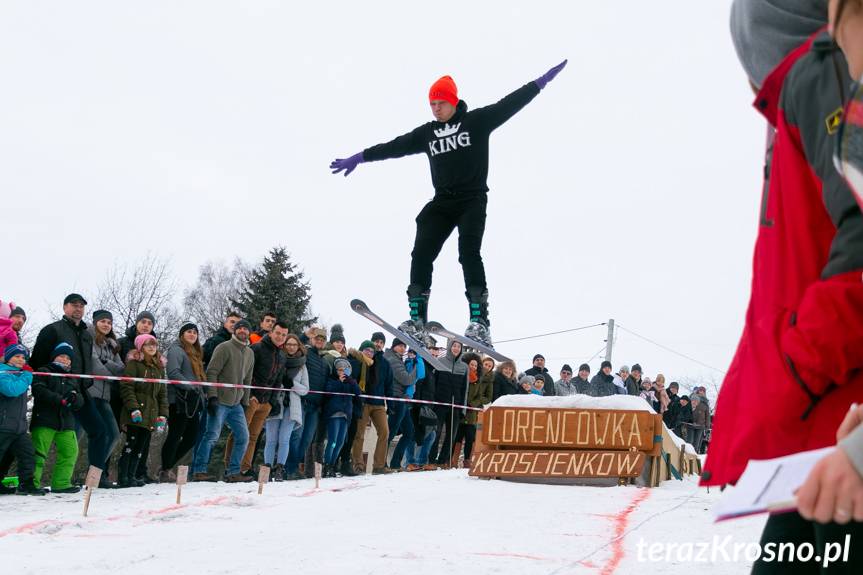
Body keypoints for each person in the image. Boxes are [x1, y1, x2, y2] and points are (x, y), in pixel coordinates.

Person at [706, 1, 863, 501]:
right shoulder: (805, 88)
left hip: (833, 417)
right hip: (821, 425)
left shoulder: (820, 75)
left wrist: (796, 369)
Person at [330, 60, 568, 346]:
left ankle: (480, 322)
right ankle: (417, 320)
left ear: (453, 101)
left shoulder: (477, 122)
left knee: (468, 253)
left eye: (441, 103)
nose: (436, 109)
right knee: (421, 252)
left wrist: (540, 83)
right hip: (442, 202)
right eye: (432, 104)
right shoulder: (427, 134)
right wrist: (360, 157)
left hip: (472, 200)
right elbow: (396, 146)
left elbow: (508, 104)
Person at [30, 294, 111, 487]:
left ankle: (94, 479)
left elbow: (87, 361)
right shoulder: (52, 330)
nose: (78, 309)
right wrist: (47, 385)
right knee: (48, 440)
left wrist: (87, 382)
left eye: (81, 306)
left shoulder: (86, 335)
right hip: (55, 392)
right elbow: (37, 361)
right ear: (65, 307)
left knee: (99, 431)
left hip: (80, 392)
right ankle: (33, 481)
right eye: (74, 305)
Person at [225, 321, 290, 477]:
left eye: (283, 335)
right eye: (278, 333)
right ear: (271, 332)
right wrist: (249, 395)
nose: (280, 337)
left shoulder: (282, 355)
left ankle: (245, 468)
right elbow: (245, 373)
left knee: (253, 436)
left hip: (265, 403)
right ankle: (230, 467)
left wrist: (271, 402)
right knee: (240, 433)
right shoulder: (257, 348)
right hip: (251, 399)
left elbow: (278, 381)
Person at [193, 319, 255, 483]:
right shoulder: (224, 347)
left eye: (246, 328)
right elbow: (212, 372)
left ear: (249, 332)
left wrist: (245, 401)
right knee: (212, 435)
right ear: (234, 331)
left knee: (243, 437)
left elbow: (247, 380)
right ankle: (199, 470)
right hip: (220, 400)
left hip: (236, 404)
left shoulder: (250, 353)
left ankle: (233, 472)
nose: (242, 331)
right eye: (239, 328)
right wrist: (212, 396)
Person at [31, 343, 83, 493]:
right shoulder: (44, 371)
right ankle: (31, 483)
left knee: (70, 451)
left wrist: (75, 399)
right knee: (39, 453)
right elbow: (39, 390)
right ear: (54, 357)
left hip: (66, 421)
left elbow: (80, 400)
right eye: (61, 356)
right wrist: (60, 399)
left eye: (68, 358)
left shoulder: (72, 377)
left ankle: (61, 483)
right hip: (45, 419)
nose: (65, 360)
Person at [117, 334, 168, 488]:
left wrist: (163, 414)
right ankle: (123, 477)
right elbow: (127, 387)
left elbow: (162, 394)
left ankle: (132, 476)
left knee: (141, 446)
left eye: (154, 344)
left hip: (150, 414)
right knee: (131, 444)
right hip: (136, 412)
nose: (152, 347)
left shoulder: (159, 368)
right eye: (147, 344)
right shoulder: (134, 364)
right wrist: (133, 408)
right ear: (140, 347)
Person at [160, 322, 206, 482]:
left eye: (195, 332)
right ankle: (165, 469)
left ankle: (167, 466)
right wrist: (190, 387)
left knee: (191, 437)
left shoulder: (195, 353)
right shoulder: (176, 350)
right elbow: (173, 373)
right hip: (178, 399)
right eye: (189, 331)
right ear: (182, 334)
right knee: (175, 435)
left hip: (192, 401)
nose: (192, 334)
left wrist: (201, 393)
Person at [287, 327, 330, 478]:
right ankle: (289, 469)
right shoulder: (306, 352)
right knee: (296, 437)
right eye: (317, 338)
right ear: (312, 339)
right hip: (302, 403)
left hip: (315, 408)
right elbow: (294, 345)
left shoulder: (325, 362)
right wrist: (305, 335)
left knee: (307, 440)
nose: (320, 341)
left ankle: (294, 467)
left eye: (322, 339)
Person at [87, 309, 124, 486]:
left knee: (113, 434)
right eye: (102, 321)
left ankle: (95, 472)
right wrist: (110, 374)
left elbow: (121, 368)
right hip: (89, 393)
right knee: (79, 435)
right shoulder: (89, 339)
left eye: (109, 322)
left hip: (105, 396)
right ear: (95, 322)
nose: (106, 325)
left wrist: (107, 362)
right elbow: (94, 365)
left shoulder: (112, 345)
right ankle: (66, 477)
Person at [264, 333, 308, 481]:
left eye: (294, 345)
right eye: (289, 344)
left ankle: (279, 469)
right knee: (271, 439)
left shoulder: (302, 366)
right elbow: (268, 379)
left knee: (284, 439)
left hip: (292, 406)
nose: (291, 347)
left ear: (298, 346)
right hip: (275, 403)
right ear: (284, 345)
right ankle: (267, 468)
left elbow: (306, 389)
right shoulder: (277, 359)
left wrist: (292, 384)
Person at [0, 344, 43, 495]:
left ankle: (26, 484)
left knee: (28, 454)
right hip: (3, 426)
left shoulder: (20, 374)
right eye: (17, 356)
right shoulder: (2, 372)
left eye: (23, 357)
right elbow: (11, 390)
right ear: (8, 357)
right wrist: (26, 376)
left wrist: (24, 375)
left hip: (19, 427)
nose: (21, 360)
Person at [350, 339, 393, 474]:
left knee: (384, 432)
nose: (370, 352)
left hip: (378, 403)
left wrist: (390, 404)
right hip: (363, 402)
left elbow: (389, 384)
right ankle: (358, 465)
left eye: (381, 342)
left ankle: (379, 465)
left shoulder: (385, 363)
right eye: (376, 342)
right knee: (359, 433)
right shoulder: (358, 361)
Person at [322, 358, 362, 477]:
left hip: (346, 415)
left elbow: (358, 394)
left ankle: (333, 464)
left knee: (340, 442)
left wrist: (352, 382)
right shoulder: (332, 380)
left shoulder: (350, 382)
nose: (342, 372)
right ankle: (327, 464)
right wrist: (339, 382)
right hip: (334, 414)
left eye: (344, 370)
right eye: (339, 369)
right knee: (333, 441)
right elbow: (328, 391)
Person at [430, 340, 468, 466]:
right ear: (450, 347)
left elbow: (465, 389)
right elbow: (434, 383)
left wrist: (463, 408)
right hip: (440, 404)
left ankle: (443, 461)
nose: (456, 348)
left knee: (451, 435)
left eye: (459, 347)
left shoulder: (464, 367)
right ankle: (431, 459)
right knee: (436, 432)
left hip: (455, 405)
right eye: (454, 346)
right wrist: (432, 403)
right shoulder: (440, 362)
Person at [384, 338, 417, 470]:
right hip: (396, 399)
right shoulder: (392, 360)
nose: (403, 348)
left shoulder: (398, 359)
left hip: (402, 399)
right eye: (400, 346)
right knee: (390, 432)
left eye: (404, 346)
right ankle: (381, 462)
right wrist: (416, 368)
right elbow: (407, 379)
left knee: (409, 432)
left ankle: (395, 463)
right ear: (394, 346)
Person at [455, 352, 489, 468]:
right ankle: (453, 460)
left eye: (475, 365)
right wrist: (462, 404)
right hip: (460, 411)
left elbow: (480, 396)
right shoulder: (461, 376)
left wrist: (471, 404)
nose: (473, 367)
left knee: (470, 437)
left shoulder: (478, 380)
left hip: (471, 414)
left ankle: (467, 460)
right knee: (457, 437)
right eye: (471, 364)